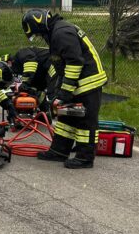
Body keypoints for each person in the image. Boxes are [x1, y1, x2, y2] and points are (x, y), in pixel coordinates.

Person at [22, 9, 107, 169]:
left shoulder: (61, 33)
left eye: (38, 34)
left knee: (85, 121)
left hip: (88, 82)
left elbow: (74, 63)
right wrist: (58, 93)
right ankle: (59, 151)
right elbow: (61, 66)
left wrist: (65, 93)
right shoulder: (56, 32)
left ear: (39, 26)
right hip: (78, 81)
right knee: (67, 117)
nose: (40, 38)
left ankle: (85, 158)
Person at [1, 47, 57, 114]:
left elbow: (31, 62)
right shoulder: (18, 68)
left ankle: (57, 113)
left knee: (52, 91)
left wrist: (25, 82)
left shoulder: (21, 54)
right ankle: (44, 112)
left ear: (9, 62)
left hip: (53, 63)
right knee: (34, 91)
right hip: (42, 72)